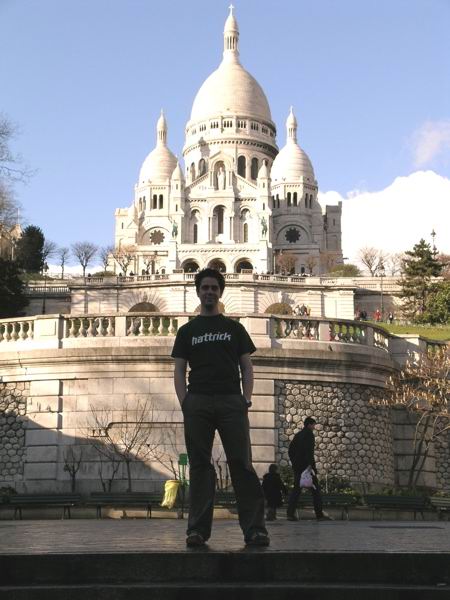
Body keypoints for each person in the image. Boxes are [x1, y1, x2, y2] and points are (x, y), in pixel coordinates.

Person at [171, 268, 269, 547]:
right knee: (200, 467)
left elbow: (247, 366)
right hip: (197, 401)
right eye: (205, 287)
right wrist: (185, 402)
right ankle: (197, 530)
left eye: (214, 287)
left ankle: (255, 529)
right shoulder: (187, 331)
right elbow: (178, 369)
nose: (209, 292)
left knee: (242, 464)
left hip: (230, 400)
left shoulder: (234, 328)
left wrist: (245, 398)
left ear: (220, 292)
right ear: (198, 291)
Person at [286, 417, 331, 521]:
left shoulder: (298, 435)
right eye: (313, 425)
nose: (314, 427)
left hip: (298, 467)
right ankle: (319, 515)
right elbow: (309, 452)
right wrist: (312, 467)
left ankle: (290, 514)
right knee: (316, 491)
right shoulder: (309, 435)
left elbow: (290, 450)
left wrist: (295, 462)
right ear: (310, 425)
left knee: (296, 490)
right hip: (307, 467)